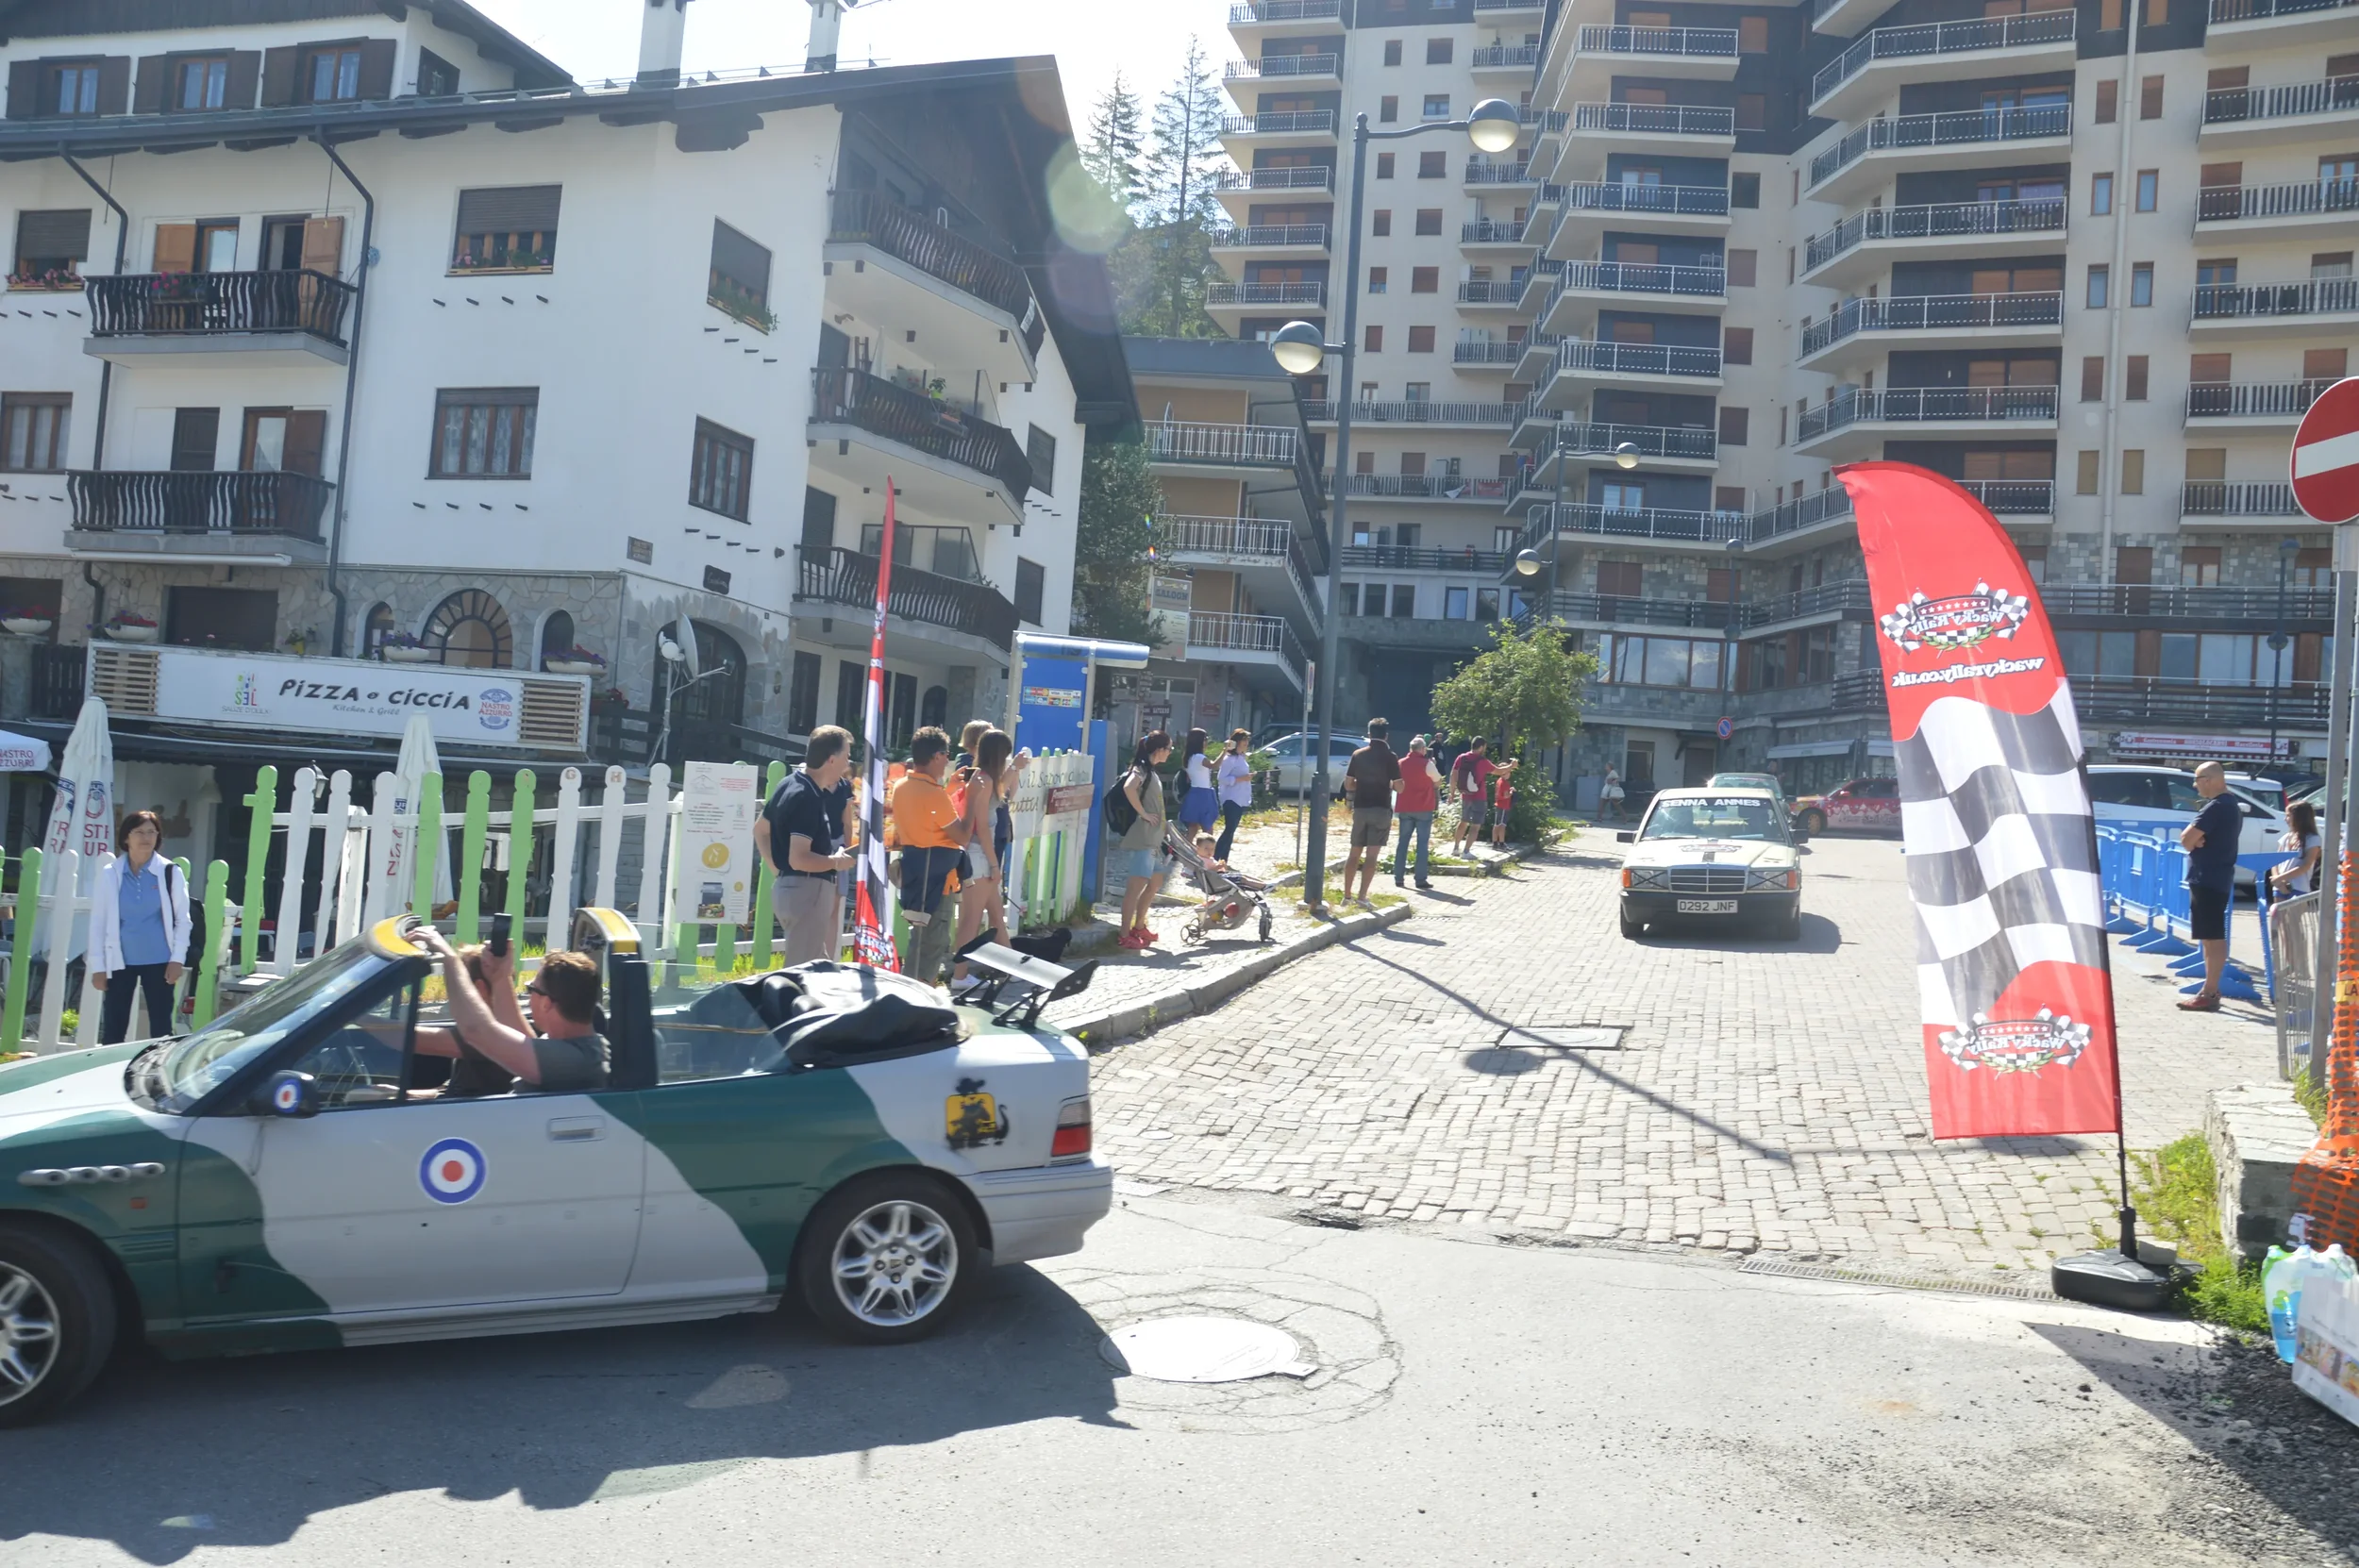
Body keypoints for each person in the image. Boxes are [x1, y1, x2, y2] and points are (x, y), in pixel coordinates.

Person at [410, 931, 610, 1091]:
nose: (527, 995)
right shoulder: (568, 1044)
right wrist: (500, 977)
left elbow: (476, 1031)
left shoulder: (573, 1061)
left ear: (547, 1003)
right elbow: (519, 1034)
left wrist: (449, 959)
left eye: (531, 989)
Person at [753, 724, 858, 966]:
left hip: (793, 890)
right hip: (807, 892)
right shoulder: (807, 797)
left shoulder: (789, 783)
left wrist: (778, 871)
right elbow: (799, 858)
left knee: (817, 969)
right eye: (846, 756)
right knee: (800, 974)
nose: (848, 763)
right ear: (832, 760)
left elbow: (760, 830)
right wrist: (836, 862)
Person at [89, 809, 192, 1045]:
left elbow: (182, 919)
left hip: (160, 961)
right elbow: (98, 922)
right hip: (120, 960)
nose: (146, 838)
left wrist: (177, 959)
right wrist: (98, 966)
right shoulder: (110, 874)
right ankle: (108, 1074)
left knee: (161, 1028)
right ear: (126, 837)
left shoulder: (169, 872)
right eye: (139, 832)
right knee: (114, 1028)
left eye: (152, 832)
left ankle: (157, 1076)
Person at [888, 726, 971, 985]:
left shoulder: (902, 786)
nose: (947, 760)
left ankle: (907, 992)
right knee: (934, 943)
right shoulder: (934, 794)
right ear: (936, 756)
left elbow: (927, 816)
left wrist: (948, 790)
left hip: (915, 869)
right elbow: (962, 836)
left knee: (919, 940)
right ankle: (921, 998)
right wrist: (973, 801)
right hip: (939, 877)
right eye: (946, 754)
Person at [950, 728, 1017, 986]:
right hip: (980, 856)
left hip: (977, 854)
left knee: (996, 914)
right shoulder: (984, 780)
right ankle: (959, 975)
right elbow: (982, 828)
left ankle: (1010, 967)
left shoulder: (980, 777)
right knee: (971, 920)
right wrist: (993, 863)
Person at [2178, 759, 2243, 1012]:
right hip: (2215, 877)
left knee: (2213, 937)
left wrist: (2194, 840)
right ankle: (2209, 988)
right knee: (2209, 936)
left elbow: (2186, 839)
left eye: (2197, 780)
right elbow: (2193, 839)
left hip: (2209, 878)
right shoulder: (2230, 805)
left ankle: (2211, 990)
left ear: (2210, 780)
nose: (2195, 786)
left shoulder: (2217, 807)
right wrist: (2196, 840)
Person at [1113, 730, 1172, 949]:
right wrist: (1143, 814)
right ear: (1159, 750)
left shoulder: (1151, 771)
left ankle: (1139, 926)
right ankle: (1124, 933)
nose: (1170, 753)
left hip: (1155, 839)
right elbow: (1129, 788)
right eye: (1169, 749)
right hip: (1144, 838)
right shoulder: (1141, 769)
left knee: (1155, 882)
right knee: (1135, 886)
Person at [1342, 718, 1401, 906]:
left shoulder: (1358, 755)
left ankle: (1347, 896)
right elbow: (1400, 787)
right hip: (1381, 809)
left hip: (1361, 808)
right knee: (1372, 856)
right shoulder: (1391, 757)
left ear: (1369, 734)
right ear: (1386, 735)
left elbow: (1349, 784)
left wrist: (1361, 783)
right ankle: (1362, 897)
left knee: (1354, 853)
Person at [1392, 734, 1444, 890]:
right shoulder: (1427, 764)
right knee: (1422, 844)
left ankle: (1398, 877)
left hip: (1405, 807)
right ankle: (1420, 879)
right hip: (1423, 808)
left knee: (1403, 843)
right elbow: (1438, 781)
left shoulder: (1400, 763)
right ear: (1422, 749)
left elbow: (1394, 783)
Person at [1214, 728, 1256, 862]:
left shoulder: (1241, 758)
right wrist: (1241, 779)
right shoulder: (1229, 759)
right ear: (1236, 742)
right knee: (1229, 829)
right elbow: (1221, 778)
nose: (1246, 743)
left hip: (1239, 798)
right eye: (1243, 740)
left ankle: (1223, 859)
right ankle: (1215, 857)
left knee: (1231, 831)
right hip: (1231, 798)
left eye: (1247, 740)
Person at [1450, 739, 1497, 858]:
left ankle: (1456, 848)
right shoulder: (1482, 761)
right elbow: (1499, 771)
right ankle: (1466, 852)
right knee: (1476, 825)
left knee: (1463, 821)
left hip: (1465, 795)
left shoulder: (1461, 758)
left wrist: (1452, 793)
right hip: (1479, 796)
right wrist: (1511, 766)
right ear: (1481, 747)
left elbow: (1453, 775)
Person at [2272, 797, 2323, 898]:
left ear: (2299, 818)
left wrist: (2281, 878)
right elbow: (2276, 861)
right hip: (2279, 886)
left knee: (2293, 915)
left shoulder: (2313, 839)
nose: (2285, 819)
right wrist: (2277, 879)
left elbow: (2306, 865)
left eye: (2288, 816)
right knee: (2277, 914)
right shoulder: (2286, 837)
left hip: (2299, 888)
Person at [1176, 726, 1219, 841]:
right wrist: (1225, 751)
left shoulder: (1189, 757)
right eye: (1205, 739)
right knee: (1208, 828)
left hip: (1194, 792)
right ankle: (1207, 853)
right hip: (1204, 793)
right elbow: (1214, 765)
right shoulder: (1200, 757)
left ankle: (1185, 851)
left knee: (1192, 828)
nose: (1206, 742)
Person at [1489, 757, 1519, 849]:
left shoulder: (1499, 781)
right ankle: (1501, 843)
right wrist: (1512, 792)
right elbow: (1506, 795)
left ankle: (1495, 842)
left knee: (1497, 824)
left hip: (1500, 805)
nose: (1509, 774)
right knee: (1502, 825)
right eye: (1508, 772)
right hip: (1503, 806)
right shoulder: (1505, 783)